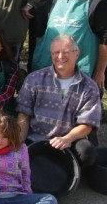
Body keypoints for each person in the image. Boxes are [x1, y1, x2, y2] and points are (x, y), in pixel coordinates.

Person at [17, 35, 101, 168]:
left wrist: (67, 139)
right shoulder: (34, 79)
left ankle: (71, 170)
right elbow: (24, 115)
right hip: (36, 138)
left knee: (87, 153)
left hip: (69, 140)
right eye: (56, 52)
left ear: (77, 54)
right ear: (51, 55)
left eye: (66, 52)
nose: (61, 56)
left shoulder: (89, 86)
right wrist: (19, 144)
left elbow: (87, 124)